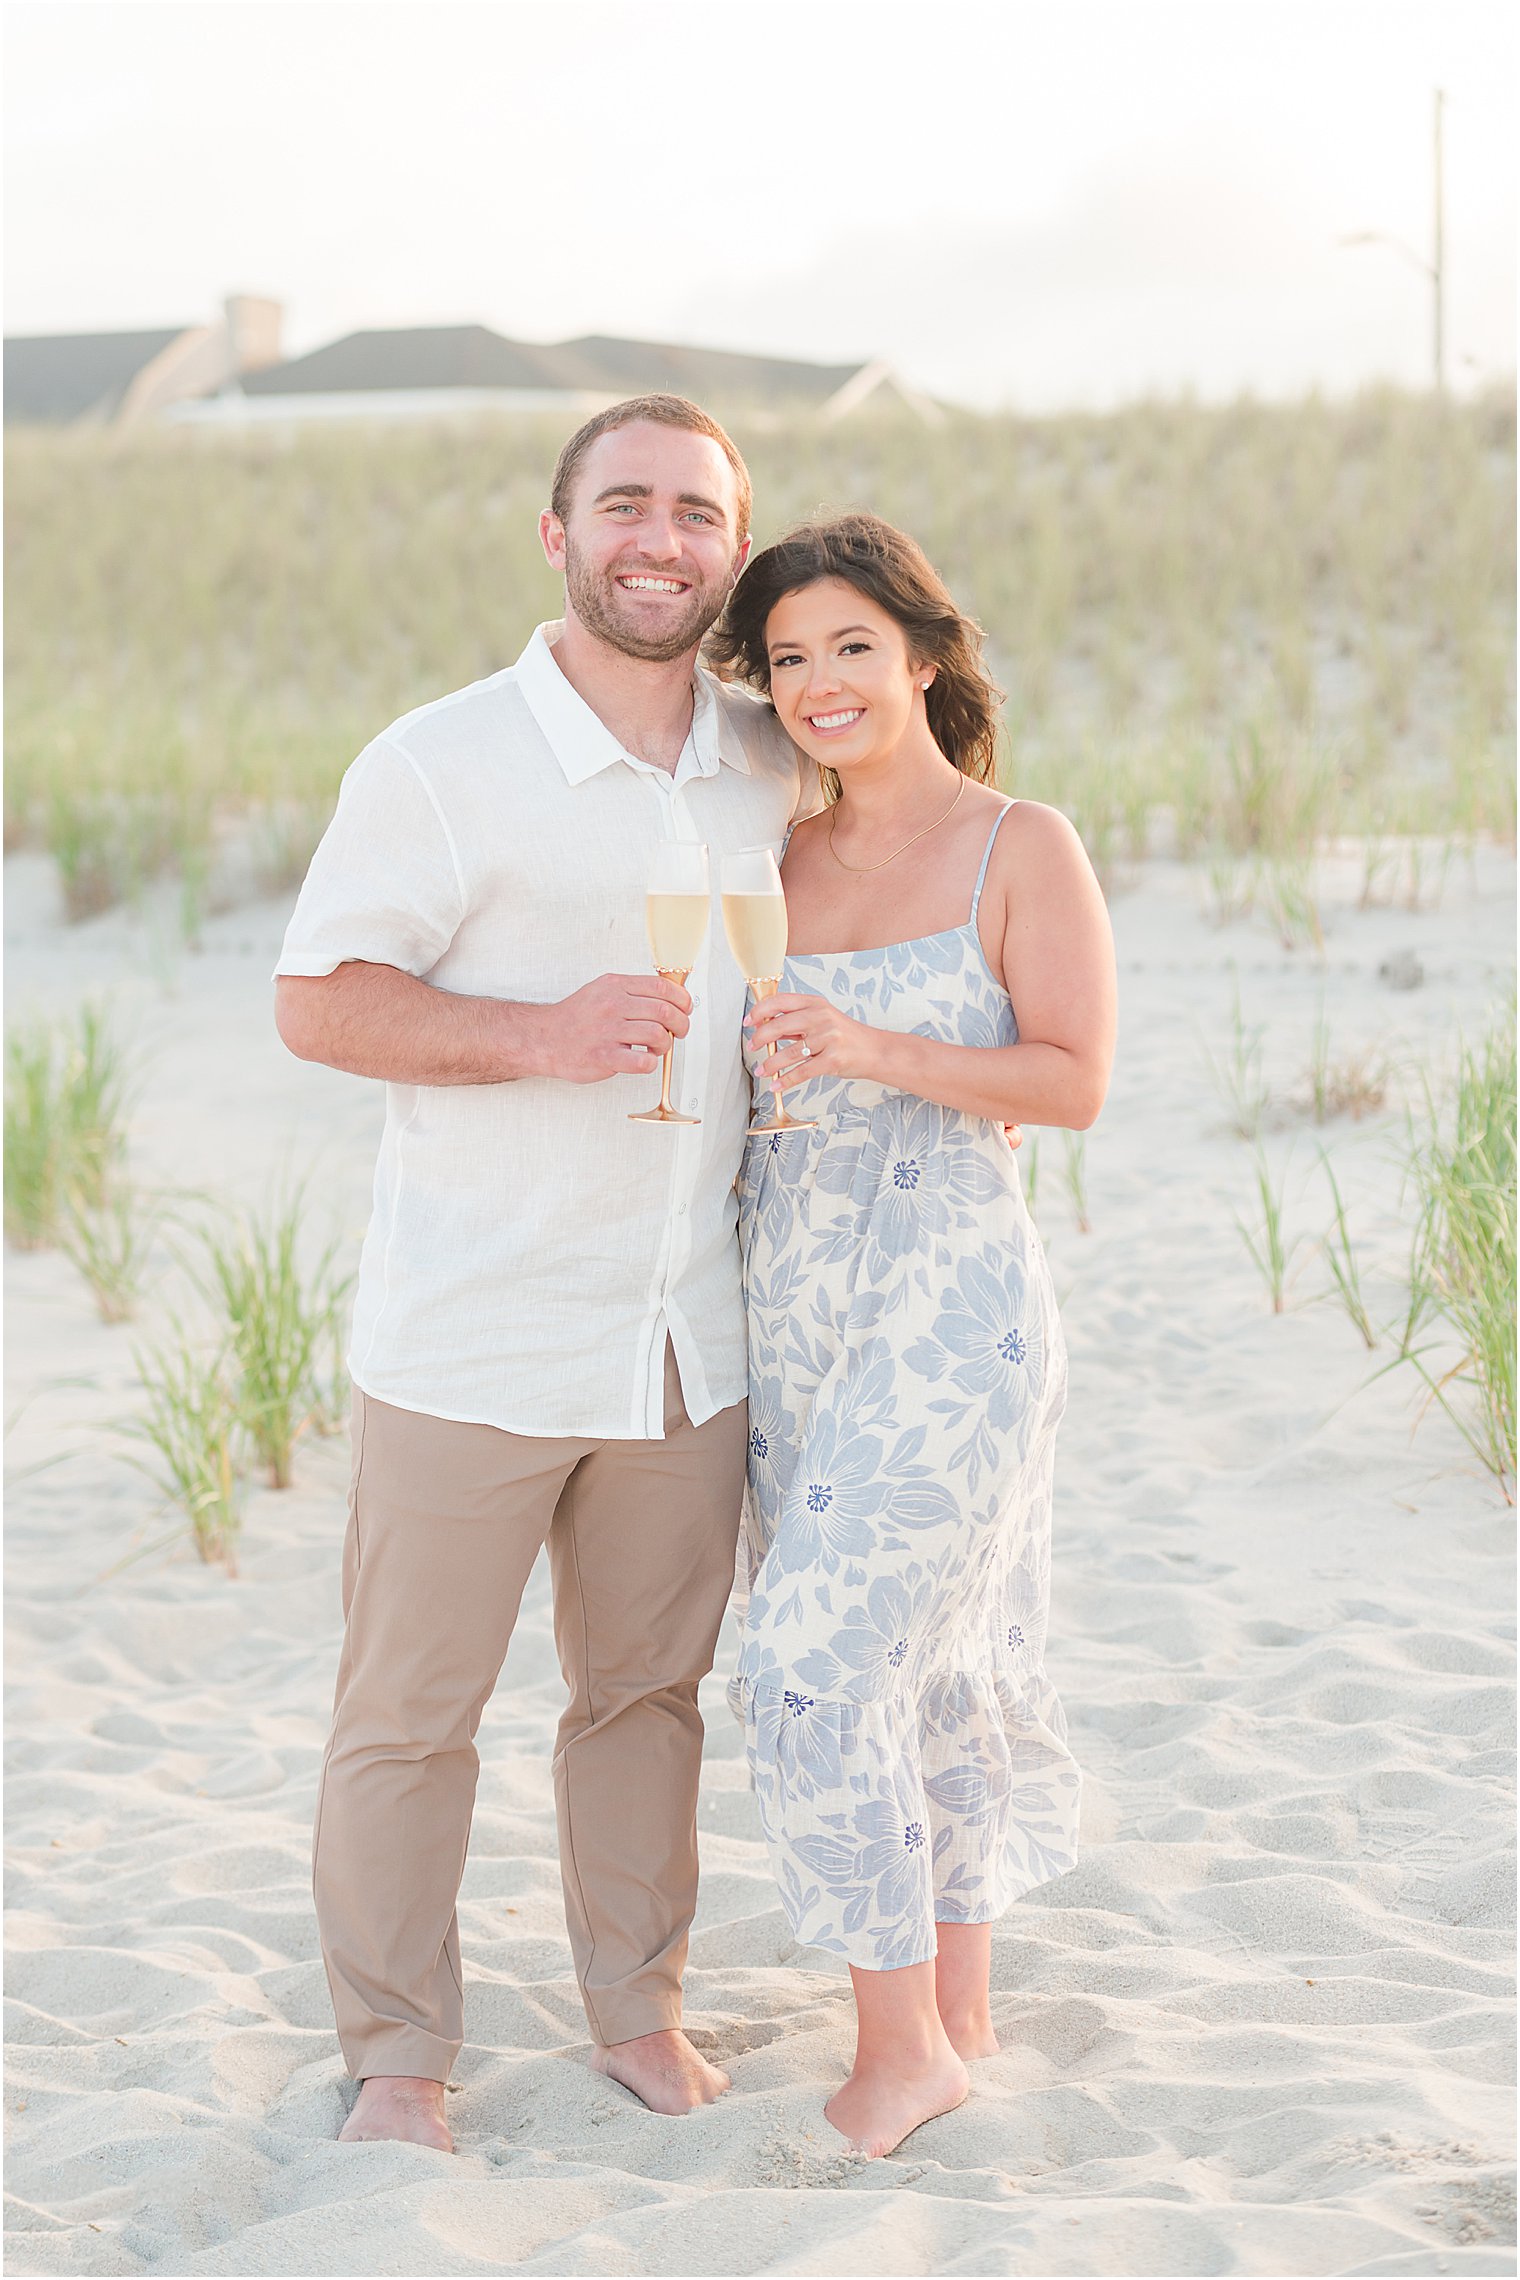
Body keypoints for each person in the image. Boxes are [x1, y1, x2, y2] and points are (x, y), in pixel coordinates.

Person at [273, 396, 818, 2151]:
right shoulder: (438, 762)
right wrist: (541, 1033)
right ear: (558, 532)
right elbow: (320, 999)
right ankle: (399, 2057)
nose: (661, 541)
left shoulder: (769, 754)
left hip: (687, 1337)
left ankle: (636, 2010)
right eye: (626, 507)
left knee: (645, 1698)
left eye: (697, 515)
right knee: (411, 1717)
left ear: (733, 548)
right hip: (474, 1327)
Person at [709, 512, 1116, 2158]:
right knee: (920, 1671)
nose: (819, 684)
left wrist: (875, 1046)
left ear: (927, 657)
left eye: (851, 649)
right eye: (789, 658)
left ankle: (902, 2061)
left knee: (809, 1662)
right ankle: (956, 2005)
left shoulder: (1023, 844)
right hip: (792, 1306)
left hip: (953, 1307)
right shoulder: (772, 861)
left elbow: (1073, 1080)